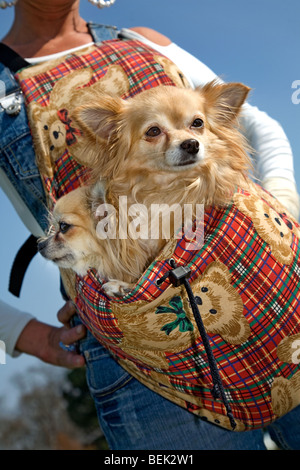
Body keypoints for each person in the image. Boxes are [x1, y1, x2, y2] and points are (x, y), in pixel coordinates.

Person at [0, 0, 300, 450]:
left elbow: (257, 125)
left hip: (274, 298)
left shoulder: (142, 39)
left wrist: (282, 211)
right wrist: (21, 332)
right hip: (141, 360)